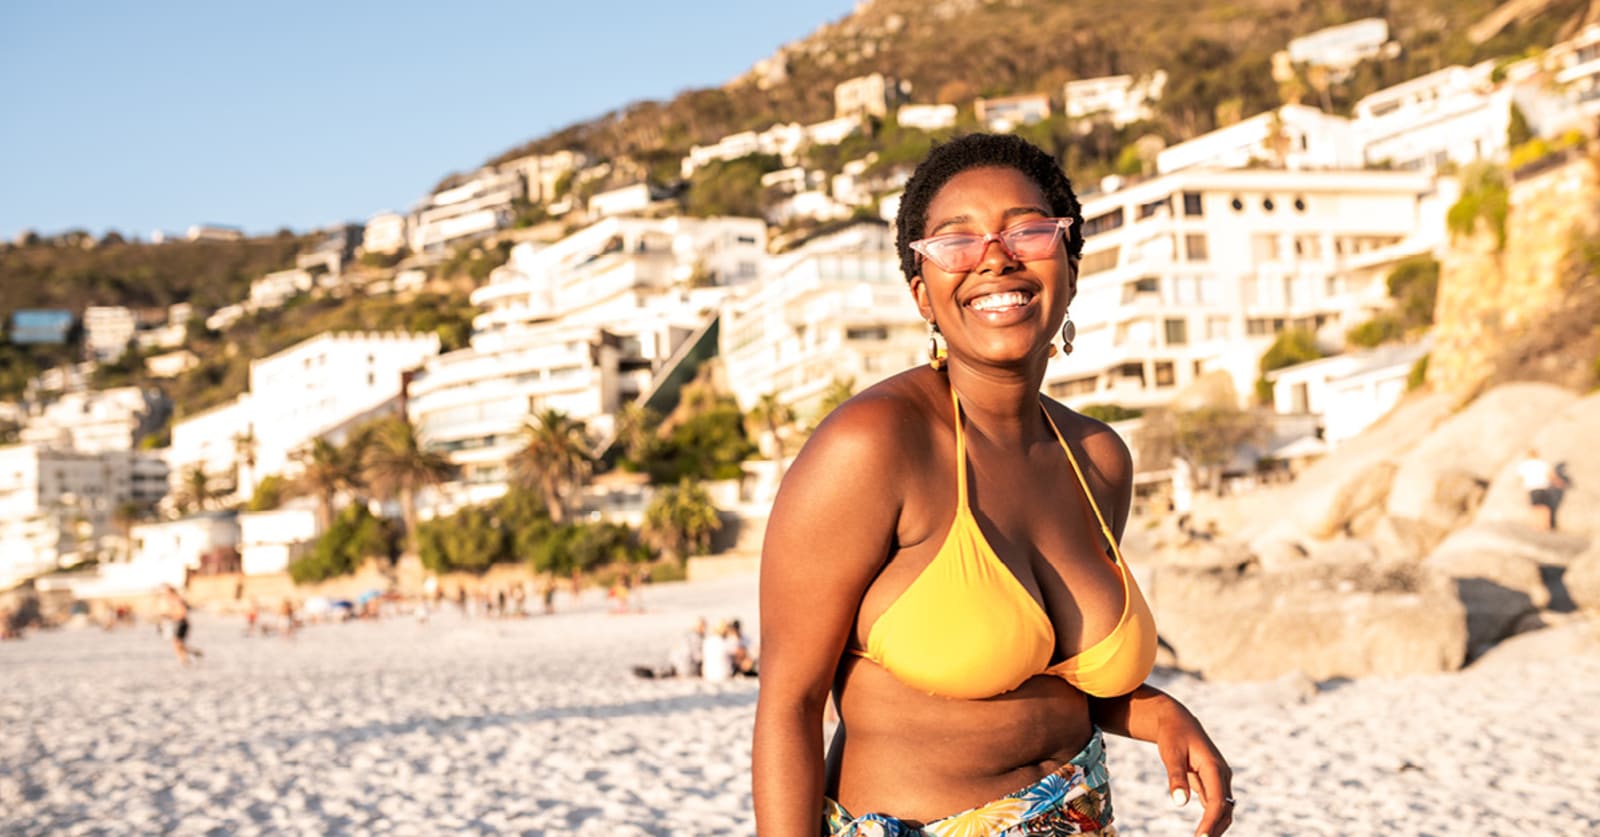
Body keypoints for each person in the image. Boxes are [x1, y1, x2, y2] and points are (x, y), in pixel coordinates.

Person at [753, 134, 1233, 837]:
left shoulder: (1098, 460)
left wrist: (1155, 708)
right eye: (956, 242)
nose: (995, 256)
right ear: (923, 292)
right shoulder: (874, 446)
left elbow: (1047, 677)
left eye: (1028, 230)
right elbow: (790, 703)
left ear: (1072, 264)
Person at [1517, 449, 1567, 531]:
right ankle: (1546, 525)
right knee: (1545, 507)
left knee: (1535, 507)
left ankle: (1536, 525)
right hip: (1544, 487)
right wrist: (1559, 482)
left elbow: (1520, 477)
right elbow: (1551, 475)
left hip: (1532, 487)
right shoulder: (1543, 463)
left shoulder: (1525, 464)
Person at [158, 583, 201, 664]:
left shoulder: (177, 600)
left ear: (171, 592)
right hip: (177, 623)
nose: (165, 594)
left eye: (166, 592)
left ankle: (186, 658)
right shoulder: (170, 600)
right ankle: (188, 657)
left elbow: (182, 613)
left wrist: (170, 616)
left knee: (177, 643)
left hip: (181, 623)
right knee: (177, 644)